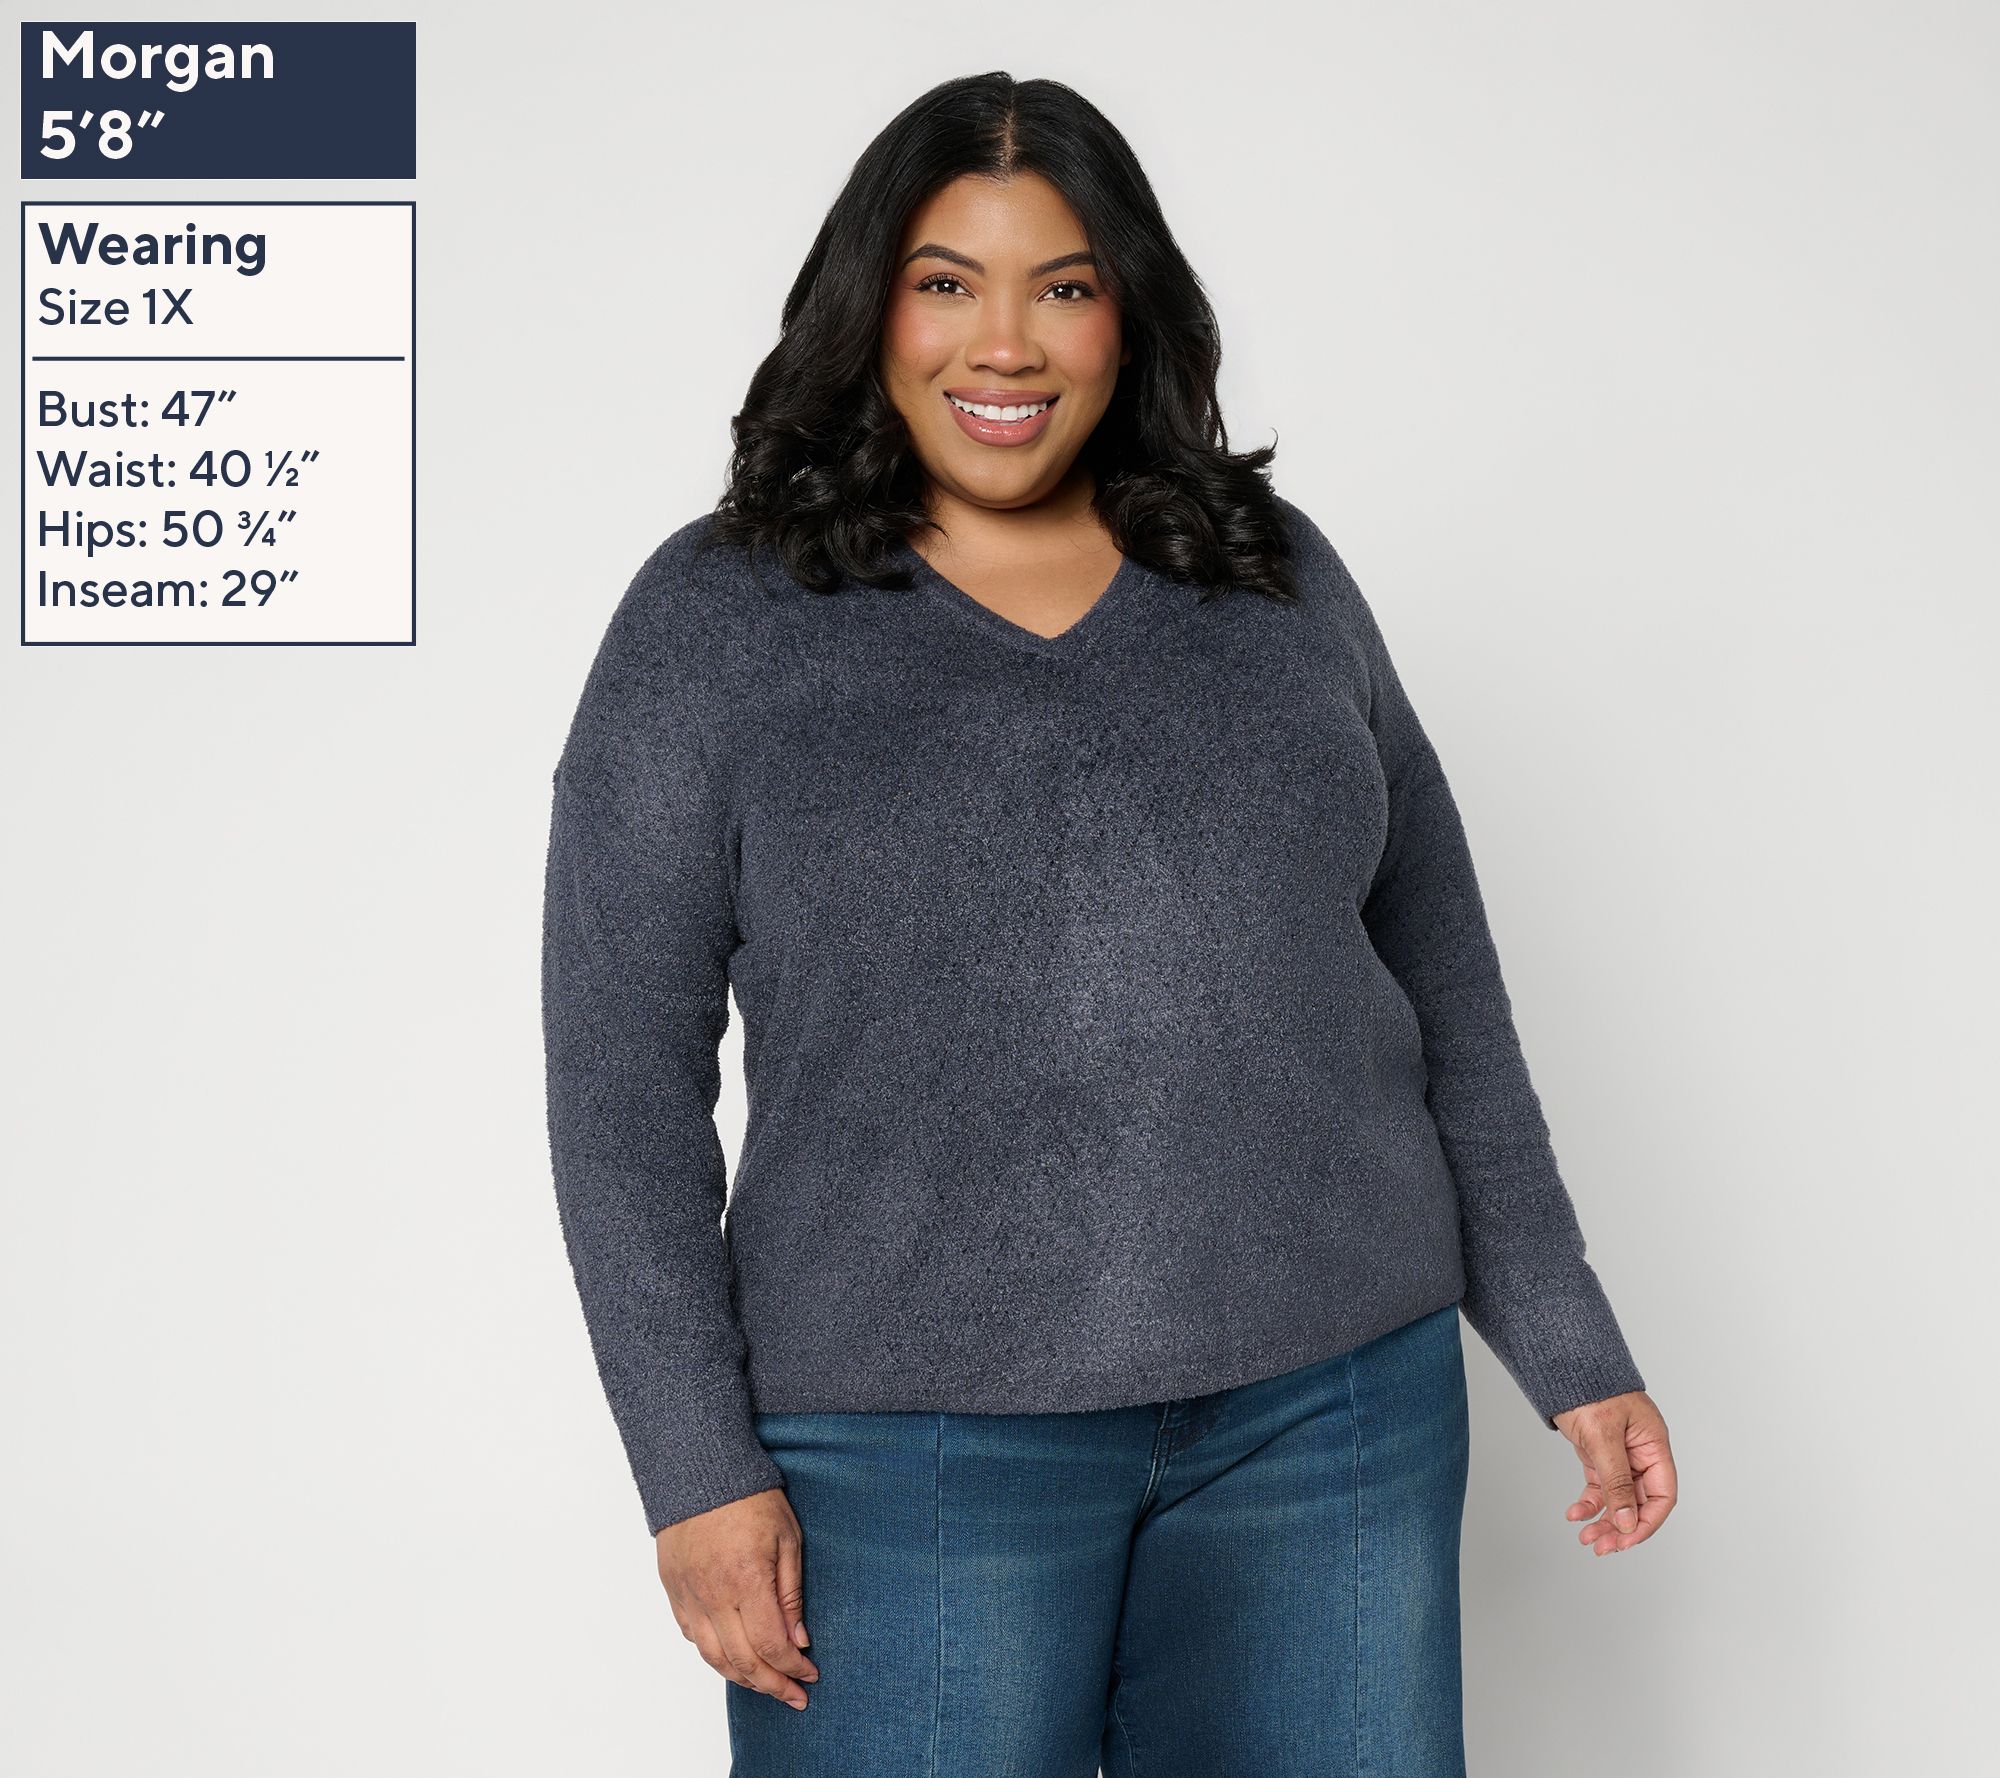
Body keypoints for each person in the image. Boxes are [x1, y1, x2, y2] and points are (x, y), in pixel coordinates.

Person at [541, 70, 1678, 1778]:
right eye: (945, 282)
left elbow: (1441, 978)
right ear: (869, 306)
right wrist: (695, 1467)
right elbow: (618, 1089)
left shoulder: (1272, 575)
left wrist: (1565, 1335)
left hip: (1331, 1418)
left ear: (1126, 313)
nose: (1003, 343)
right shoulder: (719, 620)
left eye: (1062, 286)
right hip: (906, 1455)